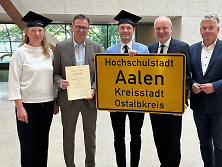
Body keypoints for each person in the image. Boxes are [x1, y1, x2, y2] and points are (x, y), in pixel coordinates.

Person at [190, 14, 222, 167]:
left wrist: (215, 86)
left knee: (220, 145)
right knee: (204, 143)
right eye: (204, 28)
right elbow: (187, 74)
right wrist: (192, 83)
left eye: (211, 28)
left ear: (218, 29)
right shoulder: (192, 49)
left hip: (219, 105)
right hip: (198, 105)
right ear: (200, 31)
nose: (207, 31)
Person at [8, 11, 59, 167]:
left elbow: (51, 78)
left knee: (43, 143)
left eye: (40, 30)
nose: (37, 33)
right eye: (33, 30)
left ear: (44, 33)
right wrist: (19, 107)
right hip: (27, 105)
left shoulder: (48, 52)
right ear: (27, 32)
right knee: (28, 145)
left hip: (47, 104)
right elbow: (14, 81)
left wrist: (55, 101)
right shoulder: (20, 53)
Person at [53, 14, 101, 167]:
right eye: (78, 26)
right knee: (68, 137)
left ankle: (90, 164)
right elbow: (55, 73)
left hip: (89, 99)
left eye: (84, 27)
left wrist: (93, 88)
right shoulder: (60, 46)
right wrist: (61, 82)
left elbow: (100, 74)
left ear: (88, 29)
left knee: (90, 137)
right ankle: (70, 165)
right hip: (68, 100)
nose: (81, 29)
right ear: (72, 27)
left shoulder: (96, 46)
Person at [106, 10, 149, 167]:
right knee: (118, 137)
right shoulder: (110, 51)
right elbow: (107, 78)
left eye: (128, 28)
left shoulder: (143, 50)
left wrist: (140, 61)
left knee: (136, 136)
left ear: (133, 30)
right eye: (122, 27)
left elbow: (150, 76)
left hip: (137, 100)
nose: (125, 30)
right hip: (117, 100)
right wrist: (108, 101)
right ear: (118, 29)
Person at [147, 16, 191, 167]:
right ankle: (163, 164)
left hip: (173, 102)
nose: (161, 31)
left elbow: (187, 76)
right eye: (158, 28)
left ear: (171, 29)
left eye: (164, 27)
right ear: (154, 30)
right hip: (155, 104)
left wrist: (183, 100)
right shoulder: (150, 48)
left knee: (173, 139)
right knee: (158, 138)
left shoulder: (182, 47)